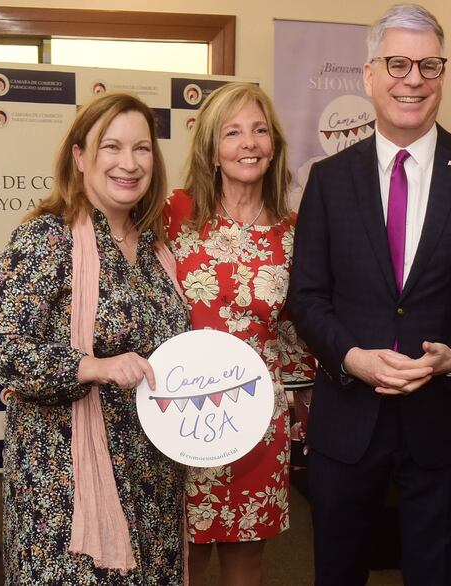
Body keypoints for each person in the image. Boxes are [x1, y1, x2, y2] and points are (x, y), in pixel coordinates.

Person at [287, 4, 451, 585]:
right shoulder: (328, 179)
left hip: (441, 421)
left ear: (443, 73)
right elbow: (308, 296)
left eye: (429, 65)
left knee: (435, 572)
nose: (412, 79)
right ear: (369, 75)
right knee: (337, 572)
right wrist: (352, 358)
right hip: (348, 419)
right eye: (397, 63)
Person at [0, 93, 189, 584]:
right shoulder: (44, 238)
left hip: (152, 477)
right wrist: (93, 366)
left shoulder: (157, 249)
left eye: (141, 149)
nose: (129, 163)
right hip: (66, 482)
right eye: (110, 147)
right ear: (79, 157)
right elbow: (5, 348)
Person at [165, 82, 314, 586]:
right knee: (180, 555)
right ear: (211, 148)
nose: (248, 143)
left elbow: (298, 324)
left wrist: (303, 403)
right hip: (181, 411)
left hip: (256, 410)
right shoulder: (174, 215)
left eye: (259, 130)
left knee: (246, 556)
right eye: (232, 132)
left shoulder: (295, 230)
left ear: (274, 145)